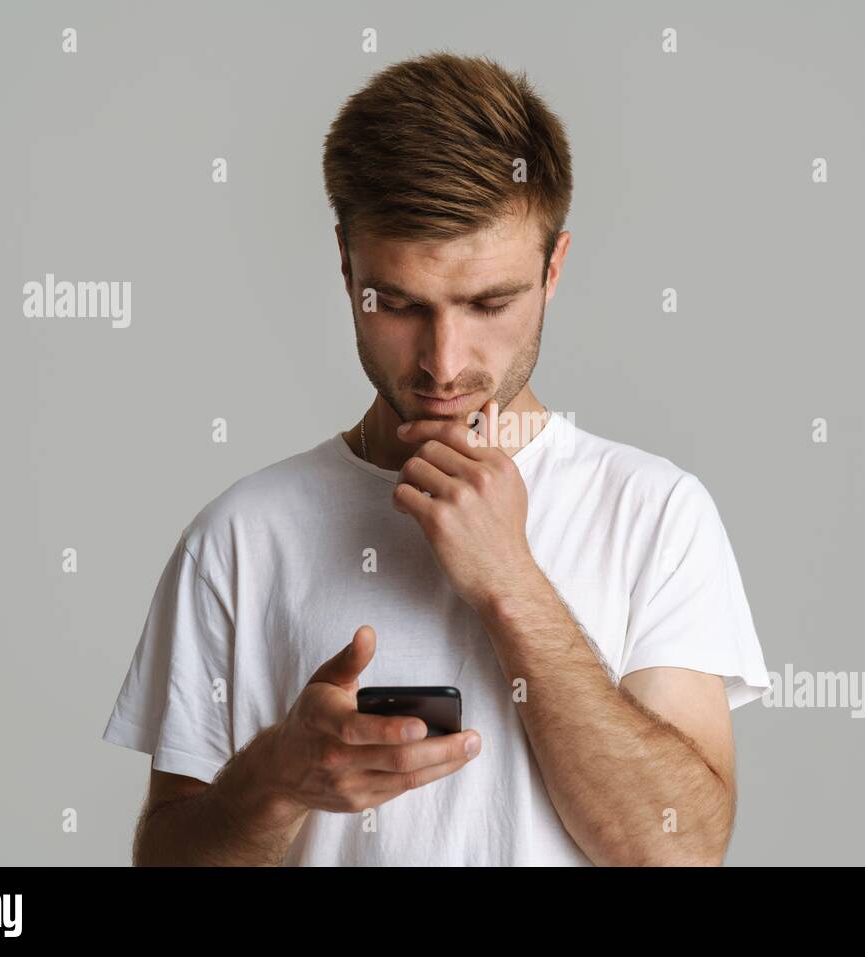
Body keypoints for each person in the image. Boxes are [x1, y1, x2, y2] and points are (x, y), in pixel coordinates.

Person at [101, 51, 770, 866]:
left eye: (490, 302)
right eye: (403, 304)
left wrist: (510, 583)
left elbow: (682, 851)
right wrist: (277, 777)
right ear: (347, 266)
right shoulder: (240, 536)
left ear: (553, 269)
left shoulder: (655, 512)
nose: (444, 362)